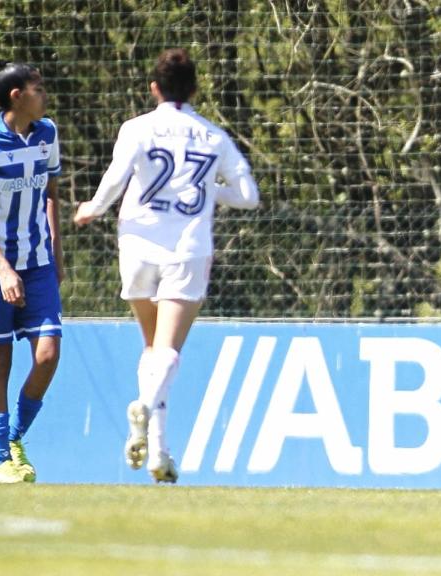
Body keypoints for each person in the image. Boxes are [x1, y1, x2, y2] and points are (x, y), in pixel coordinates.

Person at [74, 48, 259, 483]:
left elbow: (116, 178)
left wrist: (93, 209)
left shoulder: (136, 128)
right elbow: (248, 196)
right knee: (168, 350)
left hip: (137, 243)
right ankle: (143, 408)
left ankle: (159, 453)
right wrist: (210, 194)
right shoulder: (214, 137)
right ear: (195, 89)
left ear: (154, 88)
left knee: (151, 351)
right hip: (187, 247)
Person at [0, 60, 65, 483]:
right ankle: (2, 458)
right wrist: (3, 268)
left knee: (48, 354)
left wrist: (56, 252)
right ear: (16, 96)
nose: (45, 94)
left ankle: (17, 437)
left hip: (37, 264)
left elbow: (53, 194)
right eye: (37, 88)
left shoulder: (48, 133)